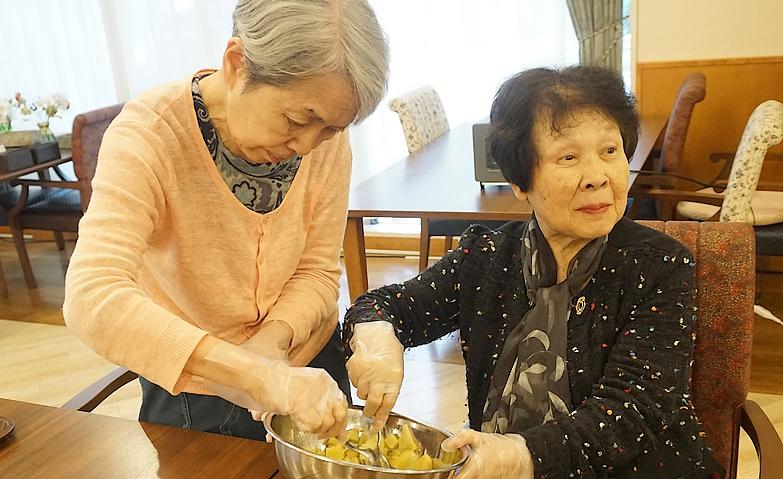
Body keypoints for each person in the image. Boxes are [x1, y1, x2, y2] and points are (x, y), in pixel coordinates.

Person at [343, 66, 725, 478]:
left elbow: (630, 414)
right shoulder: (486, 256)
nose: (597, 177)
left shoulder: (659, 266)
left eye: (610, 152)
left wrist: (519, 455)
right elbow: (386, 305)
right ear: (519, 181)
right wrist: (376, 334)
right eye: (569, 157)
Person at [63, 0, 388, 441]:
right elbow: (92, 296)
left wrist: (273, 342)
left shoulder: (325, 135)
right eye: (296, 120)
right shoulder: (150, 133)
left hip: (306, 365)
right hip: (193, 385)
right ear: (237, 64)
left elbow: (317, 271)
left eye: (331, 129)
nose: (310, 145)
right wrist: (254, 375)